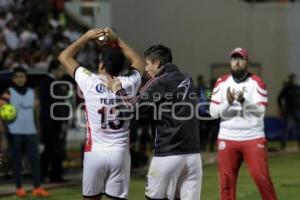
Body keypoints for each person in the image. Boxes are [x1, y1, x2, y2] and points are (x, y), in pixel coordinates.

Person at [58, 28, 144, 200]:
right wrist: (117, 39)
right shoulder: (130, 83)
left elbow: (64, 57)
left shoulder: (90, 81)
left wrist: (86, 37)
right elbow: (139, 62)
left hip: (94, 152)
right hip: (120, 153)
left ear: (102, 65)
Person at [114, 44, 202, 199]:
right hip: (194, 157)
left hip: (168, 154)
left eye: (147, 64)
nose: (146, 69)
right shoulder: (188, 79)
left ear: (157, 63)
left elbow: (129, 108)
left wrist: (118, 91)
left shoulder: (160, 81)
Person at [209, 47, 277, 200]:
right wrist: (228, 101)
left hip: (252, 137)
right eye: (234, 59)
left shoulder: (257, 82)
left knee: (261, 178)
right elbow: (213, 112)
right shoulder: (221, 82)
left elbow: (260, 113)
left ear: (247, 62)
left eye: (240, 59)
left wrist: (243, 101)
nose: (237, 62)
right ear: (230, 62)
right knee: (226, 183)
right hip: (227, 137)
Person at [0, 67, 50, 197]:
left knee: (35, 160)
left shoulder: (32, 92)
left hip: (31, 132)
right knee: (16, 161)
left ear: (25, 78)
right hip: (14, 132)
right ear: (13, 79)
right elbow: (1, 112)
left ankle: (37, 188)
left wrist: (38, 131)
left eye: (22, 76)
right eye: (17, 77)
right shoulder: (8, 92)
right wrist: (4, 132)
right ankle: (19, 188)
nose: (20, 79)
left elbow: (36, 114)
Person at [39, 59, 68, 183]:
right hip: (51, 122)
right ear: (53, 70)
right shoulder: (48, 82)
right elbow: (53, 105)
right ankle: (48, 175)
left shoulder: (53, 83)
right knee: (52, 149)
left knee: (53, 149)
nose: (62, 73)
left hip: (55, 122)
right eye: (61, 70)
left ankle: (51, 175)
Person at [277, 73, 300, 150]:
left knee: (298, 128)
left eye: (294, 78)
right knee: (286, 128)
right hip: (289, 111)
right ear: (289, 79)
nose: (293, 80)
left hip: (298, 111)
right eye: (291, 78)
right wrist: (281, 108)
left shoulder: (297, 88)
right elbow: (279, 98)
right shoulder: (286, 89)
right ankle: (283, 146)